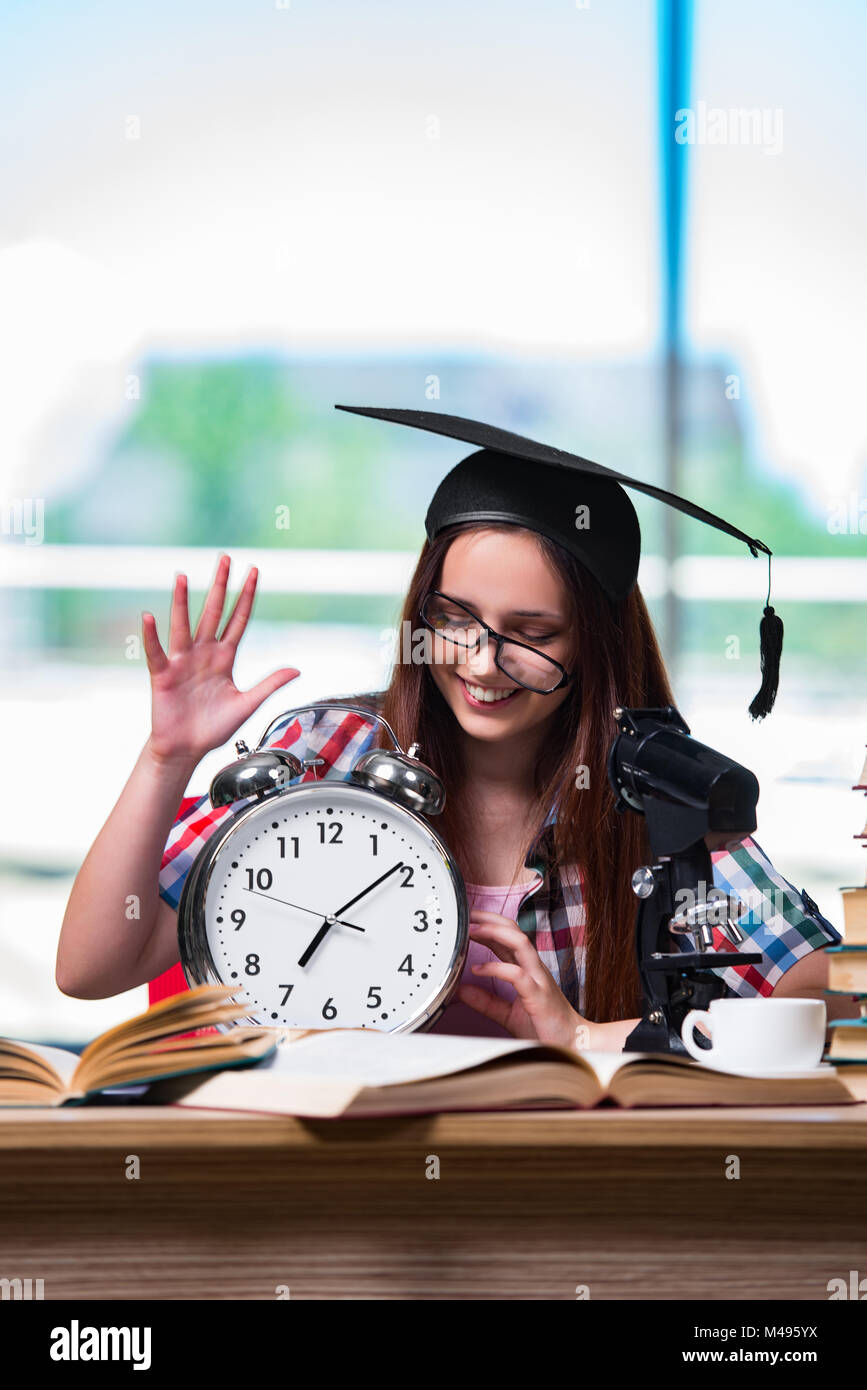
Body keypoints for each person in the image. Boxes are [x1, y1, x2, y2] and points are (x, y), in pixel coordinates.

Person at [57, 412, 854, 1051]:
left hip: (555, 1197)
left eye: (531, 633)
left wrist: (585, 1038)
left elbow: (819, 989)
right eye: (454, 619)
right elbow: (91, 969)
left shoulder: (650, 790)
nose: (481, 663)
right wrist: (167, 756)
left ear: (595, 643)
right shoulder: (328, 755)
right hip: (322, 1176)